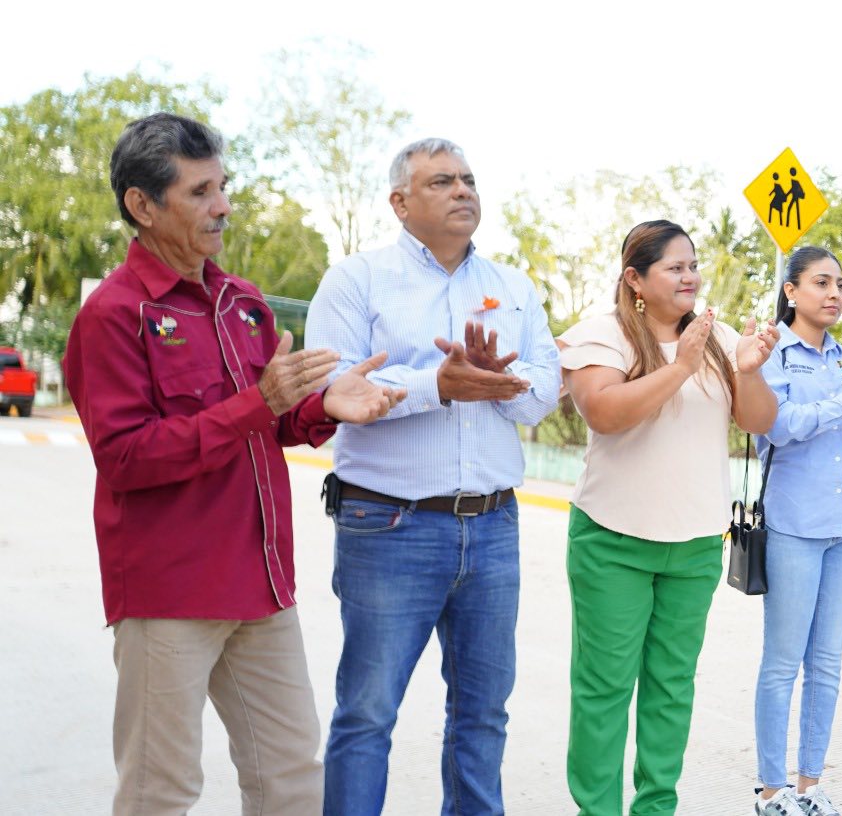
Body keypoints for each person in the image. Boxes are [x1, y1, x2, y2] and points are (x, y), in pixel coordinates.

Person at [65, 113, 402, 815]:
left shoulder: (241, 304)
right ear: (141, 205)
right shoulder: (113, 316)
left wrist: (324, 408)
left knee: (290, 780)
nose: (222, 205)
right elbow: (126, 458)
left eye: (222, 186)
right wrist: (259, 404)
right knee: (162, 790)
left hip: (262, 587)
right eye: (199, 191)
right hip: (170, 596)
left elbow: (270, 421)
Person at [307, 138, 563, 814]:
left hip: (493, 528)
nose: (463, 191)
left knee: (483, 716)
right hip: (388, 526)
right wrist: (437, 384)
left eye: (470, 179)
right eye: (442, 181)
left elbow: (542, 395)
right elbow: (336, 391)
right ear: (399, 202)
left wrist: (489, 381)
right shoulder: (356, 279)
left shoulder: (511, 287)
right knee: (366, 715)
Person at [560, 219, 780, 816]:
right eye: (675, 267)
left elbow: (758, 422)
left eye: (693, 265)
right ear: (635, 278)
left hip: (695, 545)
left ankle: (656, 807)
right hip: (612, 541)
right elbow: (604, 412)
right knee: (604, 690)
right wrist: (680, 365)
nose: (690, 277)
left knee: (670, 688)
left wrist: (751, 369)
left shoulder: (719, 335)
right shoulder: (600, 335)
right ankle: (598, 810)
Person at [751, 247, 842, 816]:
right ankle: (770, 789)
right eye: (820, 282)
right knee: (783, 661)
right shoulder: (772, 356)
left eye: (840, 283)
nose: (835, 293)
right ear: (791, 291)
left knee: (828, 662)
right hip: (793, 526)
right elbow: (781, 429)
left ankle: (810, 787)